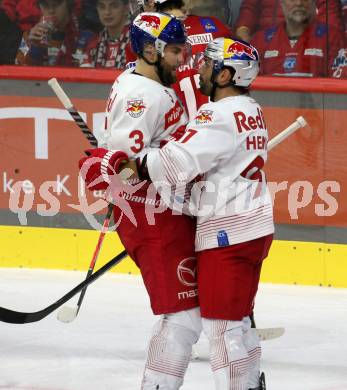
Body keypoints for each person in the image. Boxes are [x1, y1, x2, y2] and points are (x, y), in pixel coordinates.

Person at [122, 36, 273, 390]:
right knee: (235, 322)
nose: (200, 69)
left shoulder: (215, 113)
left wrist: (127, 164)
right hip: (252, 227)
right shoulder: (252, 109)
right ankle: (249, 383)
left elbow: (175, 164)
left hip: (228, 234)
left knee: (223, 327)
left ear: (224, 76)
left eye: (208, 64)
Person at [78, 12, 202, 390]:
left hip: (166, 210)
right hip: (154, 215)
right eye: (176, 50)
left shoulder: (141, 77)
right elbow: (119, 167)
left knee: (192, 309)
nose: (182, 59)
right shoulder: (141, 95)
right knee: (183, 315)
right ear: (151, 49)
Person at [129, 0, 232, 120]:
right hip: (220, 126)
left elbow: (140, 97)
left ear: (152, 3)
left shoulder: (146, 41)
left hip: (178, 131)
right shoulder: (216, 27)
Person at [251, 0, 345, 77]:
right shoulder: (260, 41)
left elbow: (339, 92)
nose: (299, 3)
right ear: (281, 3)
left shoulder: (333, 38)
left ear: (314, 2)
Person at [15, 0, 89, 66]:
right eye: (45, 5)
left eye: (56, 4)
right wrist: (33, 48)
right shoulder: (29, 36)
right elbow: (18, 72)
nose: (51, 10)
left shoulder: (86, 38)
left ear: (68, 4)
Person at [235, 0, 343, 42]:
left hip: (308, 46)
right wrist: (242, 33)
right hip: (265, 45)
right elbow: (249, 11)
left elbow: (330, 25)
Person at [81, 0, 133, 68]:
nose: (107, 12)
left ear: (126, 8)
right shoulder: (93, 44)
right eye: (102, 7)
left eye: (114, 6)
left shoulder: (139, 42)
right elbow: (84, 76)